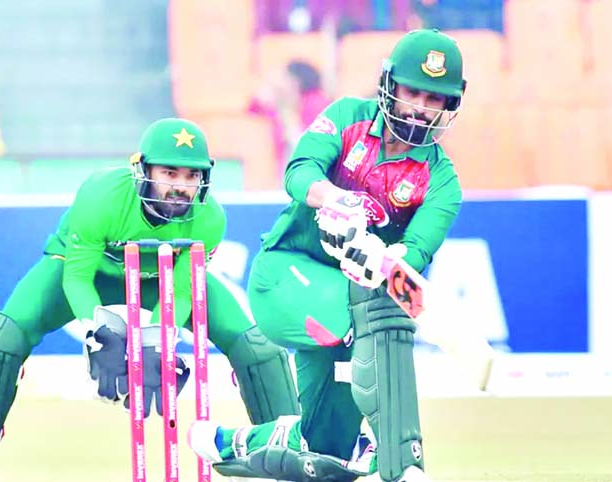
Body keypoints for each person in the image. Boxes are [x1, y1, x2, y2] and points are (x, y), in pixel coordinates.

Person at [0, 118, 300, 482]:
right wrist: (98, 330)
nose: (180, 187)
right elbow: (77, 277)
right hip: (89, 273)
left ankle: (296, 460)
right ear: (142, 168)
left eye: (191, 176)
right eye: (169, 173)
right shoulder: (102, 194)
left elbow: (183, 291)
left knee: (258, 347)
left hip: (160, 279)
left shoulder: (210, 219)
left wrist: (161, 336)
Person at [188, 28, 466, 482]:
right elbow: (299, 171)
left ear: (451, 105)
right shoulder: (347, 118)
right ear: (390, 84)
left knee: (323, 448)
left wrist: (382, 257)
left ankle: (232, 443)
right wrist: (336, 200)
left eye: (434, 98)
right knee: (375, 310)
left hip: (349, 312)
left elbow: (413, 254)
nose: (420, 107)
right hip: (286, 275)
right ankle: (396, 457)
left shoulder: (442, 182)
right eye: (413, 91)